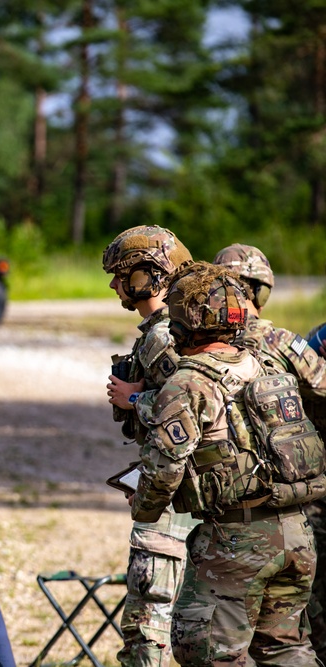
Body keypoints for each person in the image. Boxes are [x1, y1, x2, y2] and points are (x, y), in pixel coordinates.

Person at [131, 261, 325, 666]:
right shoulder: (267, 364)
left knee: (205, 652)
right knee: (286, 648)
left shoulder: (187, 382)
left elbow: (163, 469)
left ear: (185, 323)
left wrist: (145, 508)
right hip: (297, 532)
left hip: (237, 540)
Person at [214, 244, 326, 664]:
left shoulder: (204, 349)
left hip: (235, 511)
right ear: (262, 294)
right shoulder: (288, 344)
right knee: (290, 638)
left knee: (216, 643)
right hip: (299, 508)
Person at [102, 225, 199, 667]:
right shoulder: (176, 328)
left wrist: (134, 399)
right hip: (187, 492)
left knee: (148, 627)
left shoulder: (163, 336)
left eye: (121, 275)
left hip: (172, 499)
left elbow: (191, 411)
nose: (114, 285)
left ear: (146, 275)